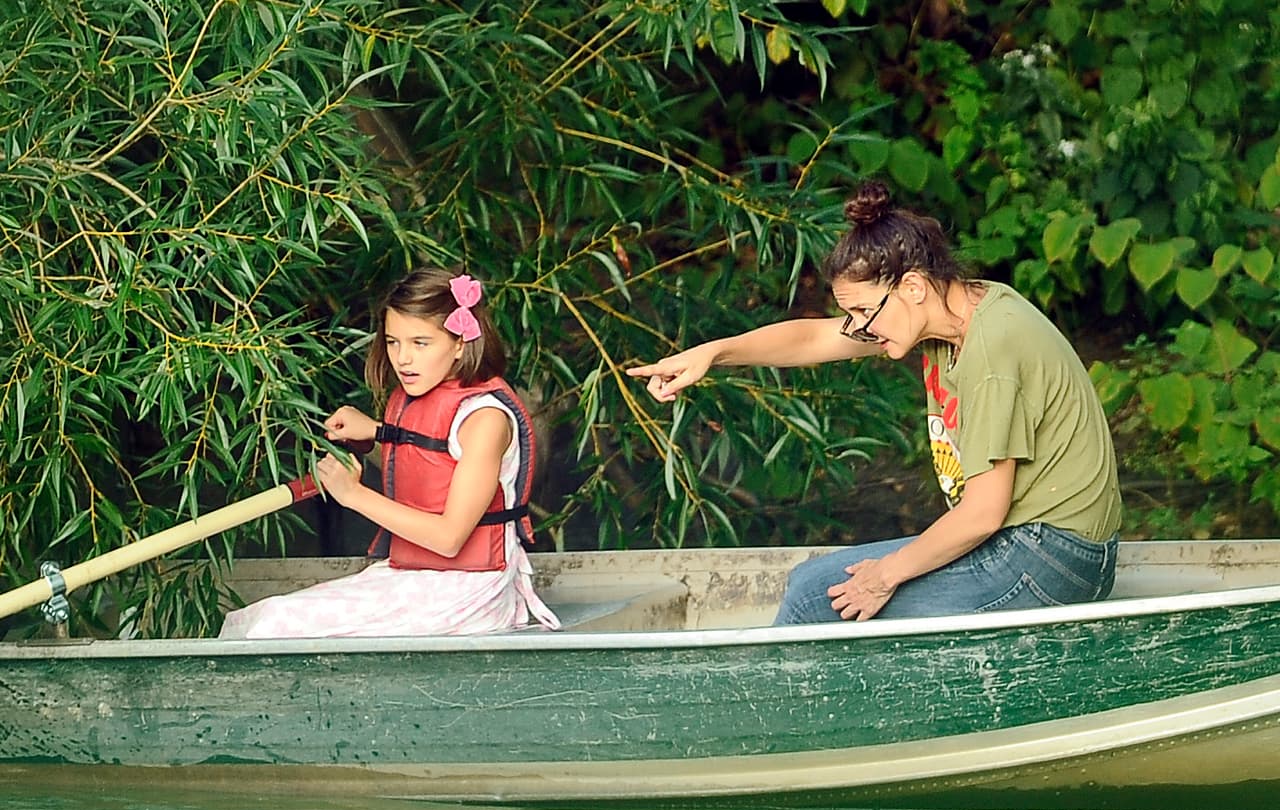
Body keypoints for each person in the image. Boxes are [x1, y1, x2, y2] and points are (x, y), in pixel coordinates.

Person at [628, 181, 1122, 624]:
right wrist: (713, 353)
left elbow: (982, 515)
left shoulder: (991, 347)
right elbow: (811, 340)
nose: (861, 327)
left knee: (813, 601)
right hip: (1029, 543)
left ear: (912, 286)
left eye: (865, 311)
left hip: (1050, 559)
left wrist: (886, 575)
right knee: (813, 583)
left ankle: (779, 720)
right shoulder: (950, 311)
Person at [219, 267, 561, 638]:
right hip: (415, 574)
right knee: (256, 621)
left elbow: (449, 537)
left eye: (420, 343)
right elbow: (429, 468)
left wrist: (353, 495)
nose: (403, 359)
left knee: (272, 627)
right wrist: (374, 436)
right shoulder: (420, 396)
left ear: (461, 343)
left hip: (469, 590)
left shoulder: (485, 420)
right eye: (393, 342)